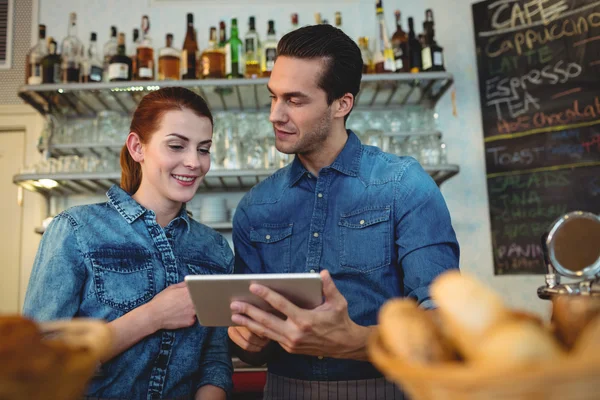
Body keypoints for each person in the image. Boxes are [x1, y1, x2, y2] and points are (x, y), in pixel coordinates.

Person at [228, 24, 460, 399]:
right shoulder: (256, 207)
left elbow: (445, 326)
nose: (275, 114)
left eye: (294, 100)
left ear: (342, 104)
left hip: (387, 388)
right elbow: (249, 342)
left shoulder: (404, 185)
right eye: (273, 97)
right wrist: (248, 340)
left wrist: (355, 340)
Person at [23, 87, 233, 400]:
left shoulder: (214, 248)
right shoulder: (77, 229)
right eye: (176, 146)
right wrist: (152, 316)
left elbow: (215, 359)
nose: (193, 162)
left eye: (203, 149)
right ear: (137, 147)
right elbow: (39, 360)